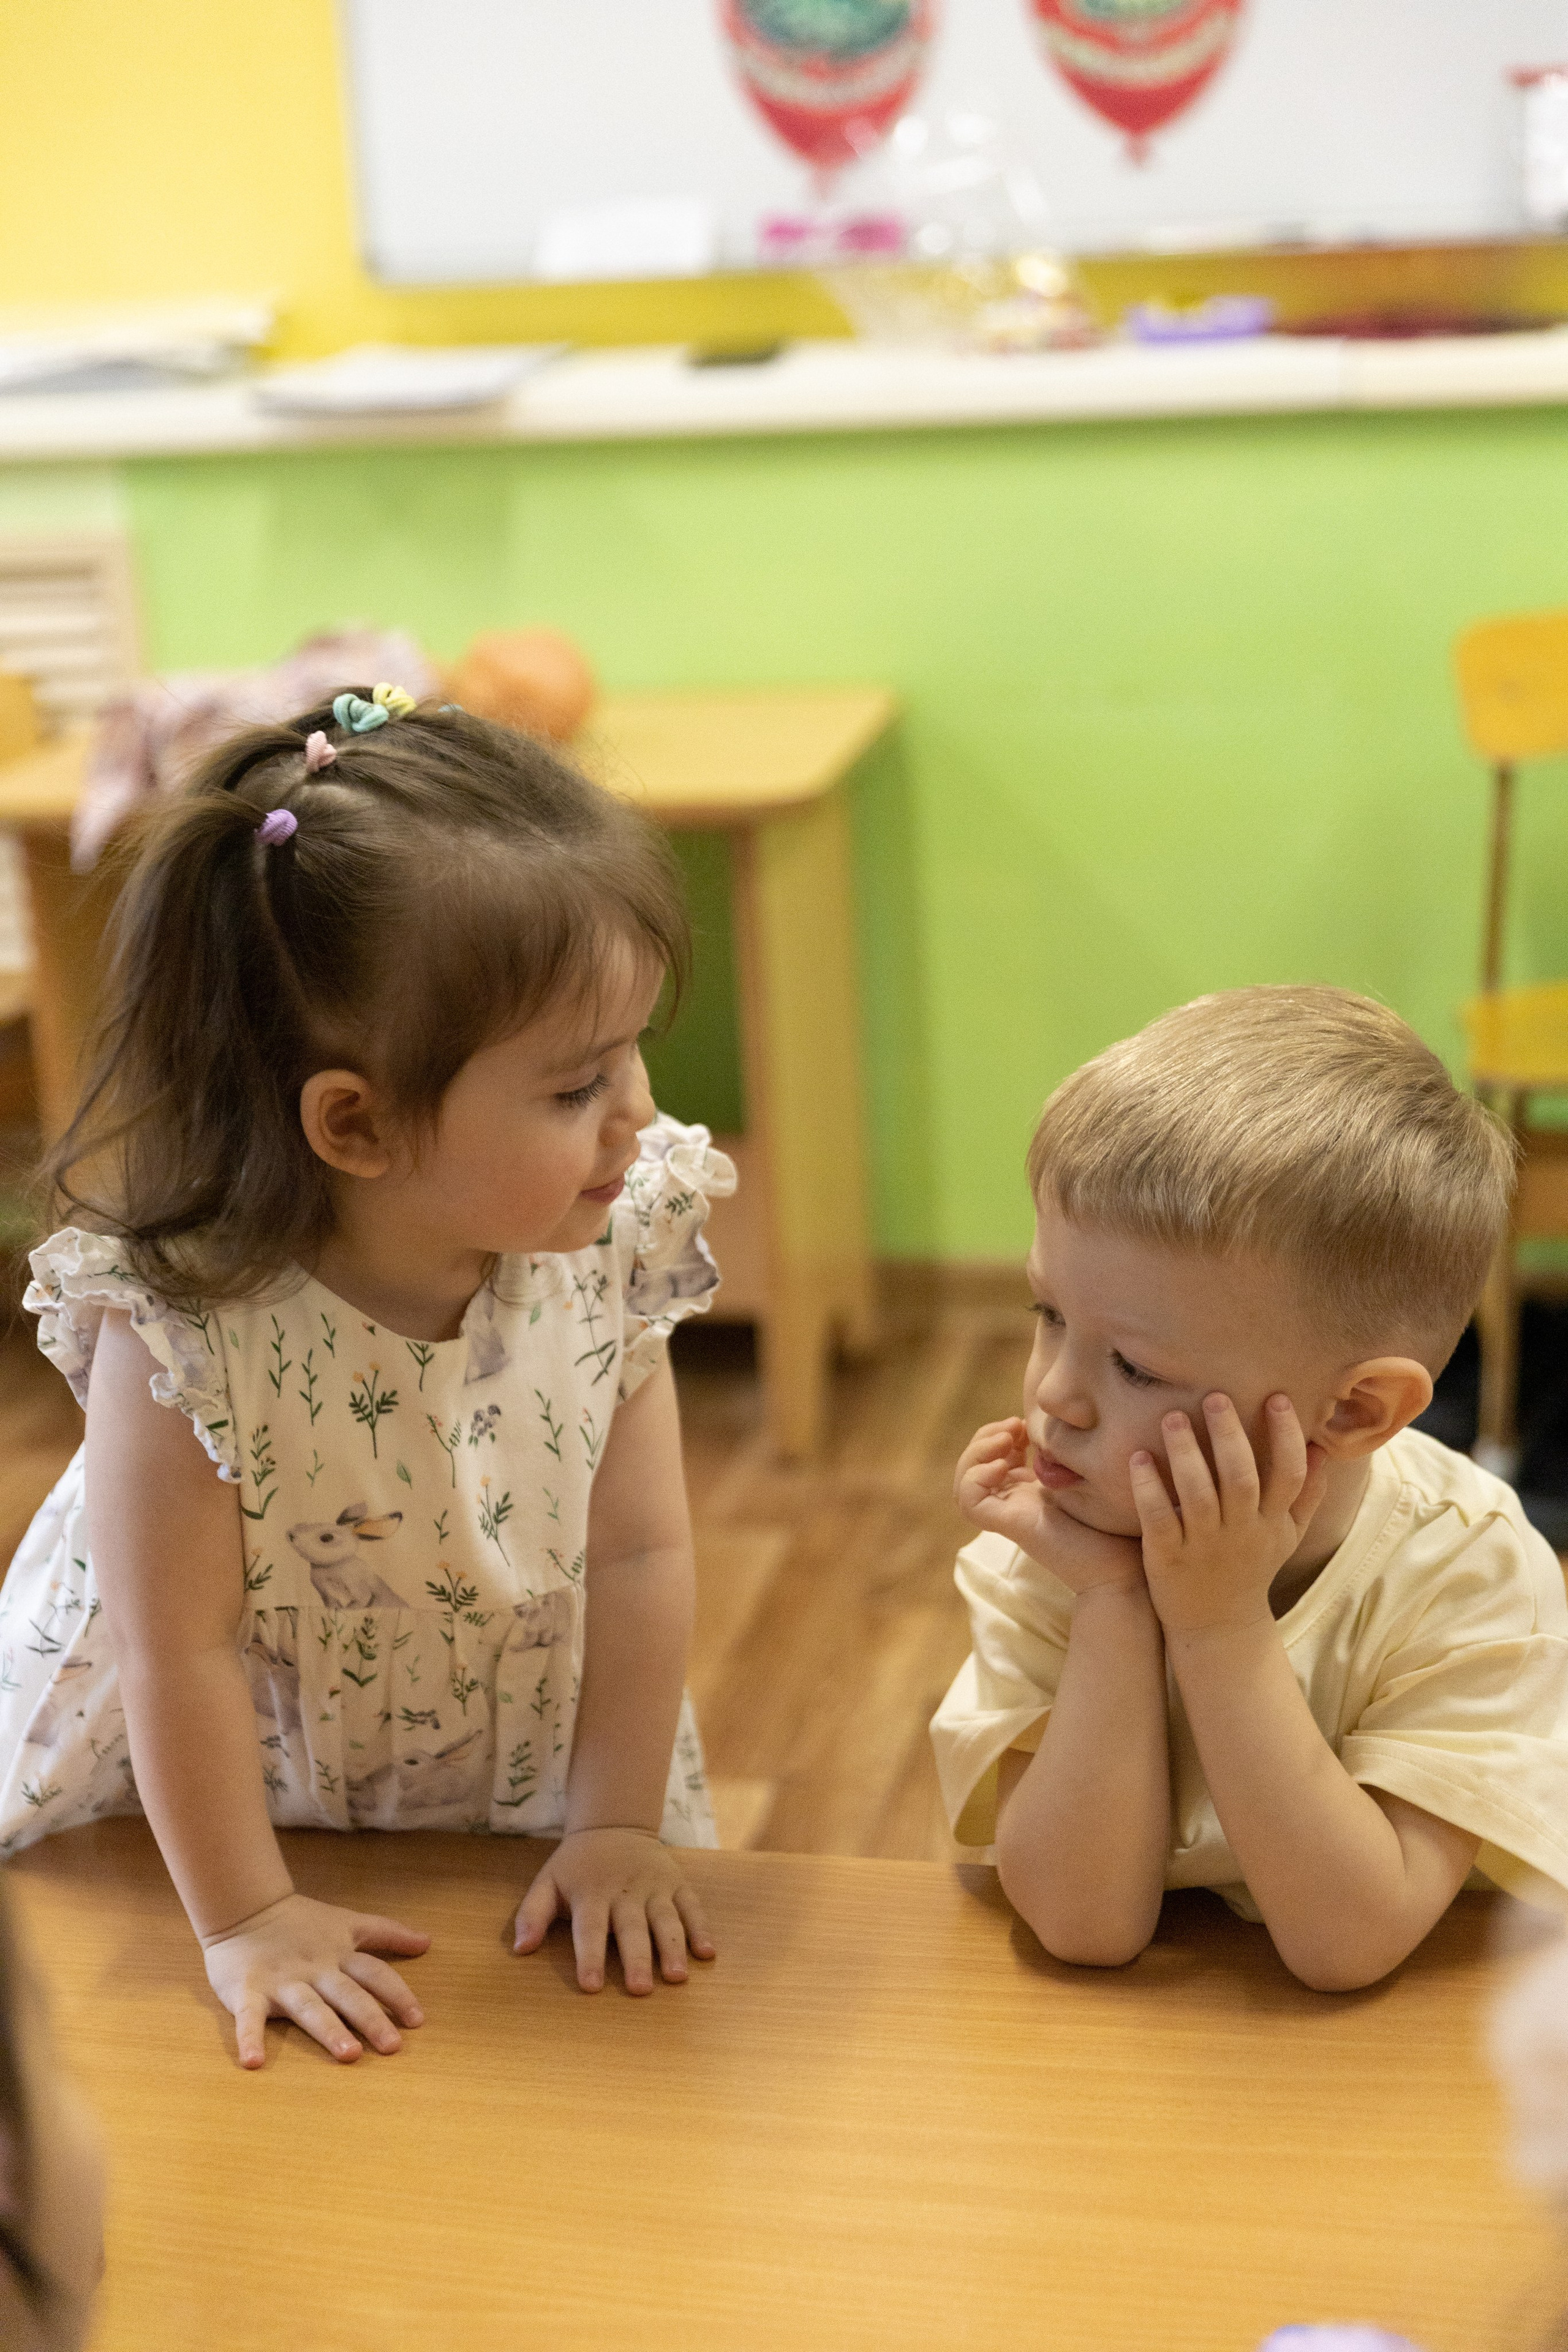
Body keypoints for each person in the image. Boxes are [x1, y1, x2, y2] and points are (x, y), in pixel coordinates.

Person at [0, 685, 734, 2067]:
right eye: (576, 1086)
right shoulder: (181, 1332)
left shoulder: (611, 1245)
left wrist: (618, 1825)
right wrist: (247, 1920)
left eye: (631, 1050)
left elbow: (638, 1559)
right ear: (355, 1122)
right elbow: (180, 1654)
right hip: (222, 1813)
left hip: (517, 1774)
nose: (638, 1115)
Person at [930, 986, 1568, 1991]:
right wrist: (1113, 1601)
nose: (1056, 1394)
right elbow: (1079, 1922)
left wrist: (1220, 1624)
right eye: (1047, 1312)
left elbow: (1349, 1943)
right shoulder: (1059, 1544)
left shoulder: (1471, 1571)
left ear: (1356, 1412)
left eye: (1135, 1368)